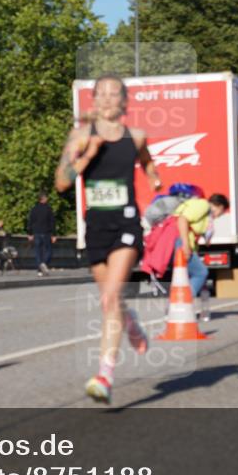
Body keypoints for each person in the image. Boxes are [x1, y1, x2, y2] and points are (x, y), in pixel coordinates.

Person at [55, 74, 162, 403]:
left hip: (127, 222)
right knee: (111, 300)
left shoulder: (137, 136)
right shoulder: (80, 135)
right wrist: (88, 155)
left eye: (114, 94)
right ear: (94, 101)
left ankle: (105, 375)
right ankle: (129, 321)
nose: (106, 99)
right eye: (100, 93)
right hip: (97, 224)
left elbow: (147, 163)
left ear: (124, 102)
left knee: (108, 298)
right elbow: (61, 182)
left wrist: (154, 179)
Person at [171, 193, 230, 297]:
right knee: (200, 273)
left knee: (184, 276)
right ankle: (183, 301)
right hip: (180, 242)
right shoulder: (204, 205)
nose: (219, 216)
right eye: (222, 212)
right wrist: (185, 245)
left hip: (181, 242)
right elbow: (182, 220)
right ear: (220, 207)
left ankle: (178, 303)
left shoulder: (207, 216)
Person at [27, 192, 56, 276]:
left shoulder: (34, 209)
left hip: (36, 233)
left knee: (38, 252)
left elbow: (30, 222)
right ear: (43, 199)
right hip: (46, 233)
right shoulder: (48, 209)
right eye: (46, 197)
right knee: (49, 251)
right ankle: (43, 264)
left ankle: (39, 270)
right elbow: (52, 222)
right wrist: (54, 234)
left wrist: (30, 233)